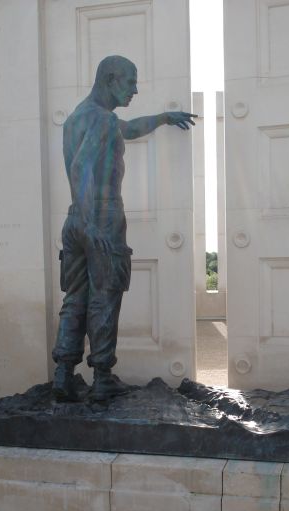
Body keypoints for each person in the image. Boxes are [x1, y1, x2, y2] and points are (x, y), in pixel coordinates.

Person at [52, 55, 196, 402]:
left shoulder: (78, 118)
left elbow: (129, 129)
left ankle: (63, 375)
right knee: (105, 297)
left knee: (76, 298)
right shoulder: (102, 121)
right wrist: (93, 225)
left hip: (74, 219)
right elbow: (80, 170)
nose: (135, 89)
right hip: (99, 218)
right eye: (130, 81)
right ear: (109, 80)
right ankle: (102, 378)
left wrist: (163, 118)